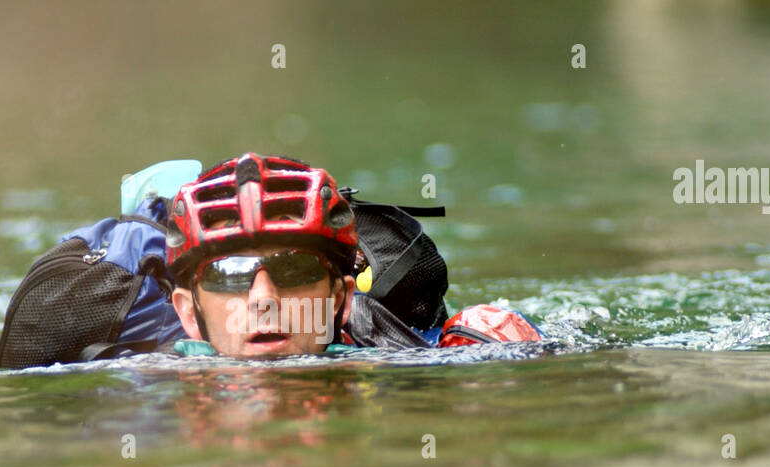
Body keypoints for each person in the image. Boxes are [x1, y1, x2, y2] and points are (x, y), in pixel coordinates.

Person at [162, 152, 542, 357]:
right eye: (230, 274)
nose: (263, 300)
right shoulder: (140, 382)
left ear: (340, 300)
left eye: (294, 269)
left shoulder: (407, 361)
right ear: (189, 314)